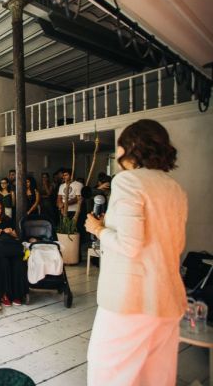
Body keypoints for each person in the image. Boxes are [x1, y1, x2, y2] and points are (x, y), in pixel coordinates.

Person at [85, 119, 188, 386]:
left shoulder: (128, 181)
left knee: (108, 374)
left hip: (132, 300)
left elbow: (130, 245)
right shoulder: (174, 187)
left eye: (120, 147)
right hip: (167, 298)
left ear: (131, 147)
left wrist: (98, 229)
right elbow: (172, 244)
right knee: (155, 378)